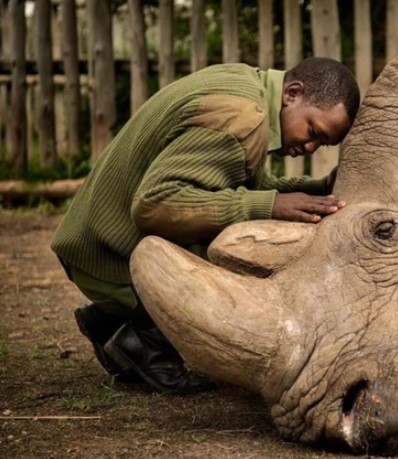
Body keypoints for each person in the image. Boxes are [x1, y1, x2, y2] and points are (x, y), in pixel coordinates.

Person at [51, 58, 361, 394]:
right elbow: (155, 205)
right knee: (241, 249)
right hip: (105, 257)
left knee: (242, 219)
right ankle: (140, 335)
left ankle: (113, 320)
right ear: (293, 94)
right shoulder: (242, 119)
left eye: (323, 144)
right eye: (313, 131)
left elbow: (238, 187)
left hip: (94, 240)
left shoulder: (246, 88)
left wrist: (318, 190)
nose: (310, 147)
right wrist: (268, 206)